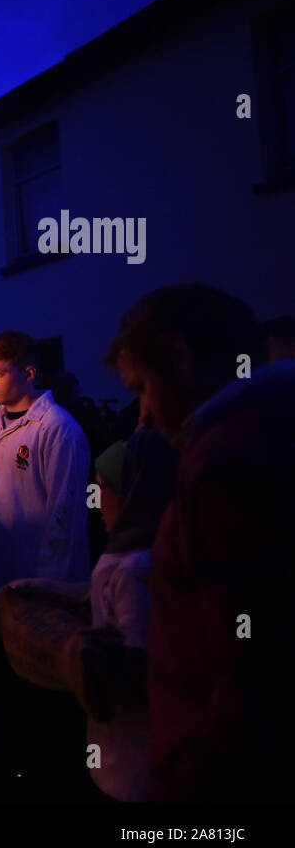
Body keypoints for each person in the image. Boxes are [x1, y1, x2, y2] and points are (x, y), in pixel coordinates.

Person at [105, 283, 293, 800]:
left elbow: (251, 674)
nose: (141, 414)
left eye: (142, 388)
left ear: (179, 358)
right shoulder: (264, 434)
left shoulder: (230, 462)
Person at [0, 429, 177, 801]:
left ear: (129, 494)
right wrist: (43, 590)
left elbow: (130, 667)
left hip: (132, 767)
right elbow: (96, 596)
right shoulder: (131, 555)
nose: (95, 502)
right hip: (116, 757)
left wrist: (63, 649)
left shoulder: (135, 568)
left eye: (102, 489)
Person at [0, 330, 91, 596]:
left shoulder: (57, 428)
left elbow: (65, 512)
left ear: (28, 374)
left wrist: (48, 582)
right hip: (2, 572)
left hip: (45, 580)